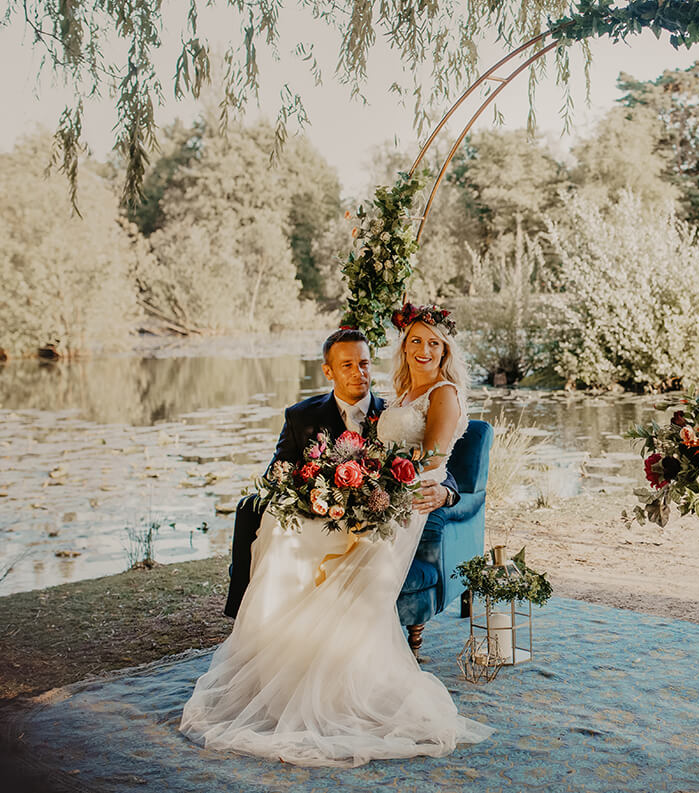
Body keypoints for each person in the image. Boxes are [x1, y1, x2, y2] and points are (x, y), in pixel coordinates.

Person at [181, 312, 492, 766]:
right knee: (284, 535)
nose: (424, 350)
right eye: (415, 342)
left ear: (446, 351)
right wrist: (340, 494)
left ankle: (337, 691)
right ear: (403, 348)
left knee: (339, 577)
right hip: (372, 498)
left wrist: (397, 493)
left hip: (397, 507)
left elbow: (433, 464)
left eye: (434, 344)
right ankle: (280, 668)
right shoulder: (399, 396)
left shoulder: (436, 395)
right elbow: (285, 474)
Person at [221, 327, 458, 618]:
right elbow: (277, 473)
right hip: (320, 509)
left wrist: (447, 493)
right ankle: (245, 613)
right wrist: (312, 493)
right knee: (251, 508)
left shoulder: (392, 413)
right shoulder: (301, 416)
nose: (358, 372)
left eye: (364, 363)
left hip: (368, 518)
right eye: (347, 365)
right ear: (328, 370)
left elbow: (431, 463)